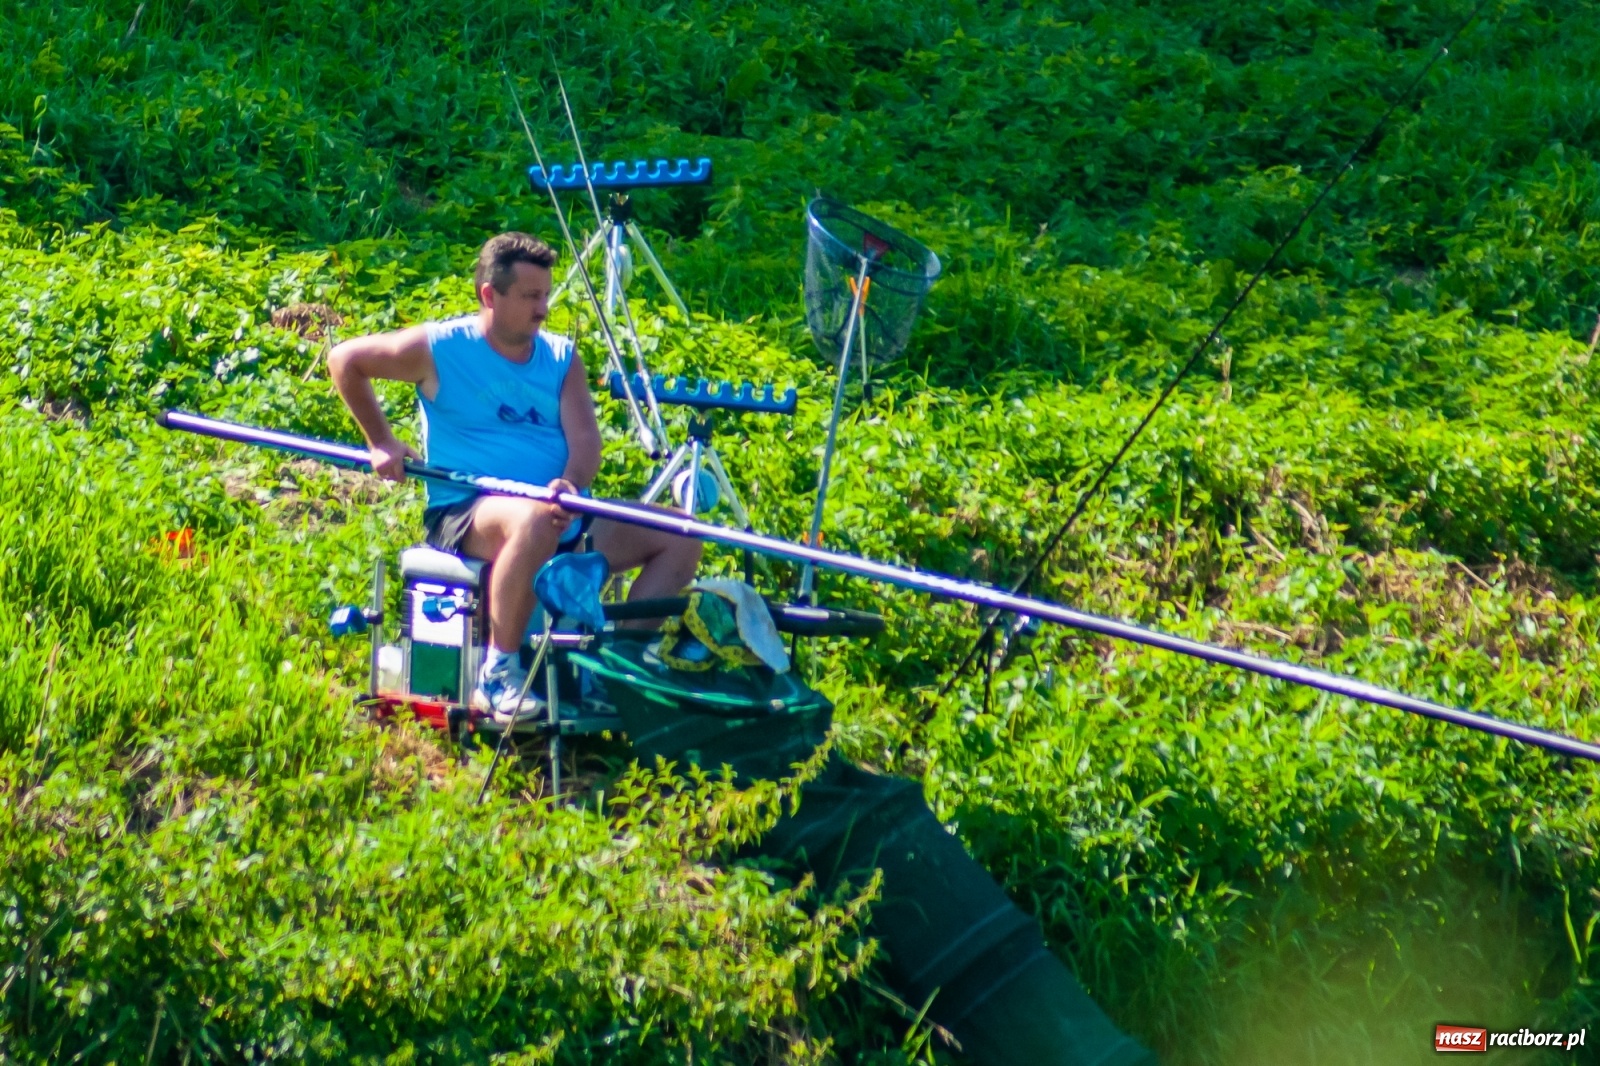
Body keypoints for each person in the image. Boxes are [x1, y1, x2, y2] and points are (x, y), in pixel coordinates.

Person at [327, 231, 702, 722]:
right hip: (470, 511)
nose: (542, 309)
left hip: (564, 512)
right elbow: (345, 360)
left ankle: (617, 668)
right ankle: (498, 672)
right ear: (490, 295)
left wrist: (570, 483)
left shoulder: (561, 358)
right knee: (531, 520)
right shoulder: (441, 348)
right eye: (529, 297)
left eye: (545, 295)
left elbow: (586, 441)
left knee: (681, 535)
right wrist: (382, 441)